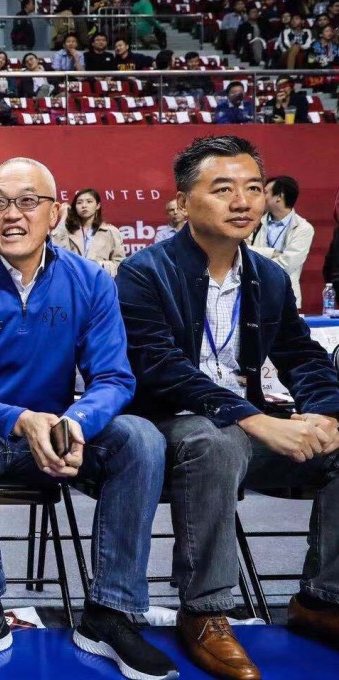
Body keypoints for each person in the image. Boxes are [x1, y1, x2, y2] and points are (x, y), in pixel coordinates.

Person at [0, 157, 177, 680]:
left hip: (64, 435)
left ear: (55, 212)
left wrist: (73, 423)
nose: (12, 215)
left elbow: (114, 378)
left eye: (28, 201)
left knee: (142, 438)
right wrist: (21, 420)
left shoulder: (91, 281)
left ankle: (109, 612)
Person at [119, 135, 339, 680]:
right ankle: (207, 612)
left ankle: (321, 599)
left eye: (254, 189)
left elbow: (301, 355)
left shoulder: (266, 276)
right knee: (211, 441)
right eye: (223, 189)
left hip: (251, 428)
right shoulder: (145, 271)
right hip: (170, 428)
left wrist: (328, 413)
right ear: (183, 202)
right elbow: (161, 368)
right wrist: (258, 420)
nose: (242, 202)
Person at [247, 175, 314, 310]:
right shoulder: (254, 221)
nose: (261, 196)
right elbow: (244, 250)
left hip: (286, 299)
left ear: (279, 197)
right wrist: (272, 253)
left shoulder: (303, 228)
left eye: (265, 192)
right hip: (255, 296)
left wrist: (259, 259)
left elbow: (287, 265)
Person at [52, 189, 126, 276]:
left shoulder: (111, 232)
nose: (84, 206)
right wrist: (64, 217)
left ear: (98, 205)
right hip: (73, 282)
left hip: (100, 282)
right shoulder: (67, 231)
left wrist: (98, 265)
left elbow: (121, 266)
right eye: (79, 203)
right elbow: (54, 252)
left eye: (89, 202)